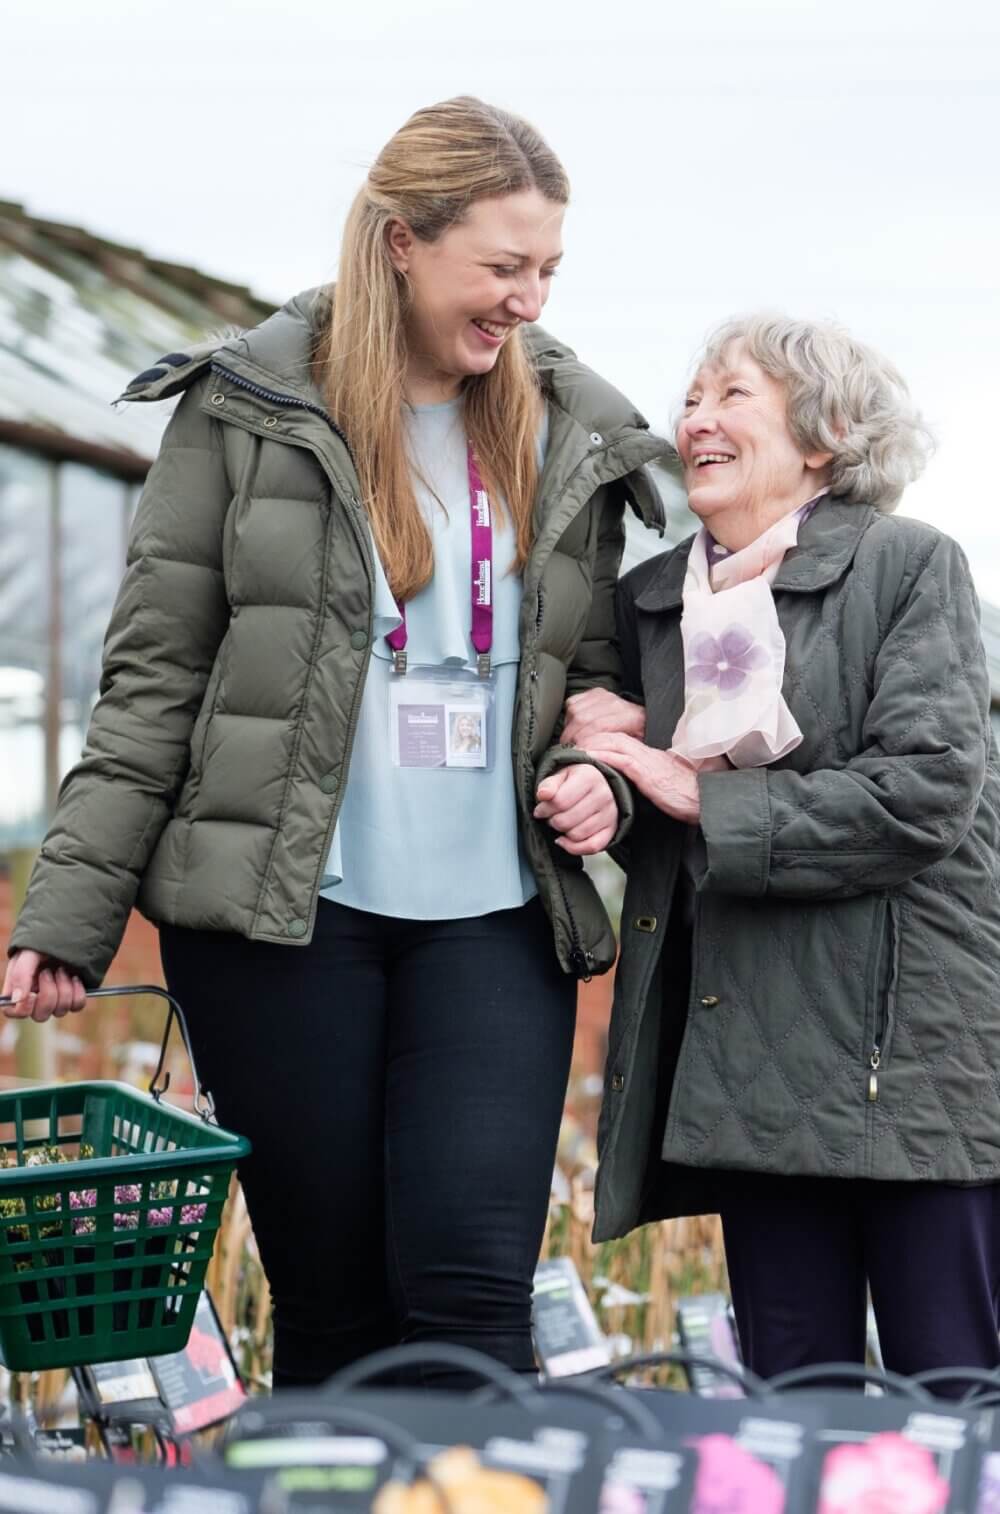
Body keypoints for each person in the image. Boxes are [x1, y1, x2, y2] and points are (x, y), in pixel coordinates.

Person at [2, 97, 669, 1388]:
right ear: (404, 240)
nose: (528, 300)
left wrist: (602, 782)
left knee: (475, 1295)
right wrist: (68, 913)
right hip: (279, 921)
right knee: (334, 1304)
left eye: (548, 270)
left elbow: (599, 681)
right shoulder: (244, 409)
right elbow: (151, 680)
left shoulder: (572, 427)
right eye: (502, 266)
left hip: (496, 914)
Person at [563, 314, 1000, 1382]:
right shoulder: (651, 598)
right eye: (692, 397)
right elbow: (645, 764)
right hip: (749, 1058)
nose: (695, 419)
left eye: (732, 396)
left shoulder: (907, 567)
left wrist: (691, 796)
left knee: (953, 1393)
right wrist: (599, 777)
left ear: (825, 435)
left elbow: (923, 791)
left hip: (909, 1065)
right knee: (793, 1407)